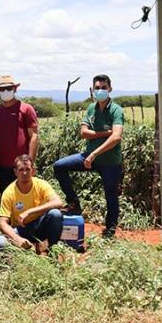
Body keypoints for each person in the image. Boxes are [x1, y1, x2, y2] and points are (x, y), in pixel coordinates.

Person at [53, 74, 124, 238]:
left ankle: (110, 232)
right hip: (88, 157)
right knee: (59, 166)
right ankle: (74, 203)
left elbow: (116, 137)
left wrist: (94, 153)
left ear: (110, 89)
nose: (100, 91)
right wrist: (105, 133)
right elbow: (84, 133)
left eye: (104, 88)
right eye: (97, 88)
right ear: (92, 90)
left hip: (109, 162)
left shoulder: (116, 110)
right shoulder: (91, 108)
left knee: (111, 196)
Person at [0, 155, 64, 254]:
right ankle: (24, 251)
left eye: (28, 169)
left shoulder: (41, 185)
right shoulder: (9, 192)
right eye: (21, 169)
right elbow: (2, 223)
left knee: (55, 214)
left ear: (33, 171)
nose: (25, 173)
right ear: (15, 172)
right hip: (21, 229)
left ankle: (52, 251)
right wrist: (17, 239)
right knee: (0, 244)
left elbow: (58, 202)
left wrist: (29, 212)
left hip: (40, 225)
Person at [0, 75, 39, 194]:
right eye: (2, 89)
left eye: (9, 88)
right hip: (1, 166)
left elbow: (33, 136)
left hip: (22, 166)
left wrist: (30, 163)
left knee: (26, 196)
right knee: (6, 198)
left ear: (15, 89)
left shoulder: (26, 109)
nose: (6, 91)